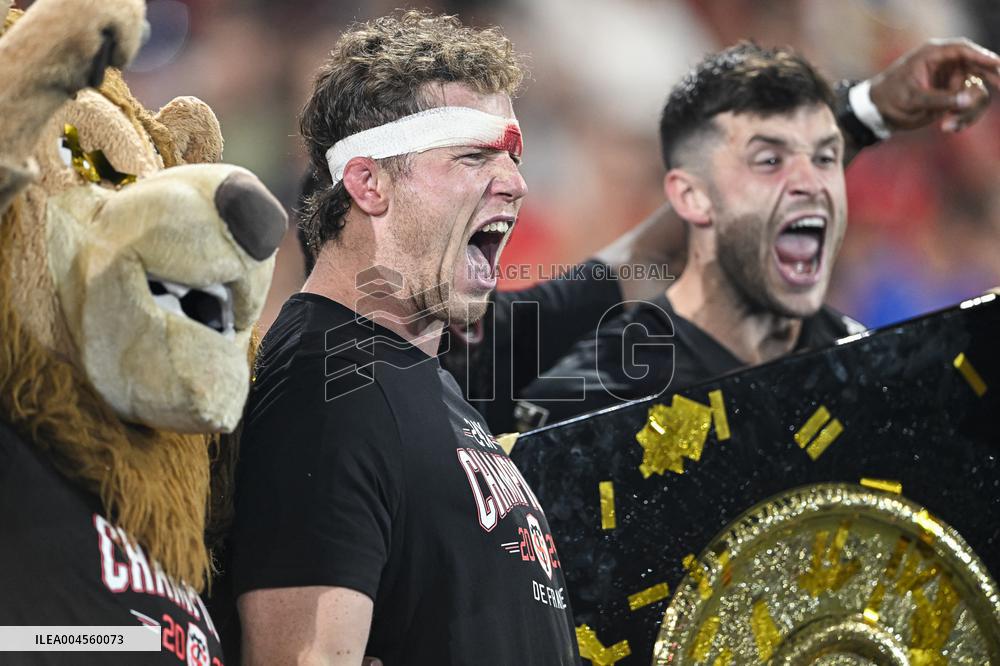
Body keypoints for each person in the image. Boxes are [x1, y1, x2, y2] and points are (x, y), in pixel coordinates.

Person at [227, 12, 579, 665]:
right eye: (474, 156)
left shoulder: (421, 379)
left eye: (512, 158)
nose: (515, 183)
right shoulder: (326, 382)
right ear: (368, 183)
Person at [515, 39, 1000, 429]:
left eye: (827, 157)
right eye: (770, 161)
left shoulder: (873, 371)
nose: (811, 184)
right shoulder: (591, 399)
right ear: (691, 198)